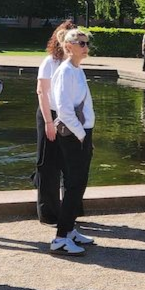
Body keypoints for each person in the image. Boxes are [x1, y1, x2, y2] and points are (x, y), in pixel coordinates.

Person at [49, 28, 97, 256]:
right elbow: (64, 109)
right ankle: (60, 238)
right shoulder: (66, 71)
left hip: (81, 132)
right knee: (74, 184)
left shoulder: (77, 69)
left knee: (77, 183)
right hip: (74, 135)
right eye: (81, 43)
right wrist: (82, 135)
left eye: (86, 43)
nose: (85, 47)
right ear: (68, 47)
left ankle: (69, 230)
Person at [35, 20, 76, 225]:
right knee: (48, 165)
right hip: (50, 114)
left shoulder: (73, 65)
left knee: (71, 165)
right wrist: (49, 122)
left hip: (70, 116)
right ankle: (49, 213)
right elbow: (42, 92)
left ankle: (70, 211)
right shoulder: (50, 62)